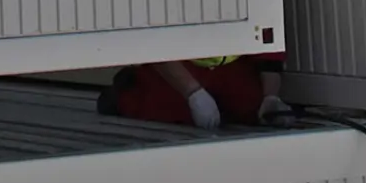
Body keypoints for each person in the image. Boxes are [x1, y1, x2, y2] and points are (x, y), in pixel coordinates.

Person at [98, 53, 291, 130]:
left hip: (230, 67)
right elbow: (158, 47)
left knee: (253, 111)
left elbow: (269, 56)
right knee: (170, 111)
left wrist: (270, 97)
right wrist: (193, 94)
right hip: (182, 64)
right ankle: (126, 91)